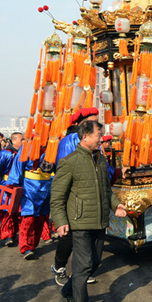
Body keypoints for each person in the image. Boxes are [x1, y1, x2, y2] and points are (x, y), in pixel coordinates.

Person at [51, 120, 127, 302]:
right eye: (98, 135)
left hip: (100, 220)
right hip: (80, 222)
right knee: (83, 266)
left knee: (94, 263)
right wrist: (60, 221)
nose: (101, 139)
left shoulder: (101, 160)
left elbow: (107, 191)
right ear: (85, 136)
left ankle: (68, 290)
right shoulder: (69, 161)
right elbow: (57, 196)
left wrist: (116, 206)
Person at [51, 108, 101, 286]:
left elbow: (99, 164)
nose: (95, 123)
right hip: (74, 195)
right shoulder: (67, 141)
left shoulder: (95, 139)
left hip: (89, 195)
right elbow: (64, 172)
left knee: (86, 236)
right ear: (81, 123)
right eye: (91, 120)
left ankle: (80, 272)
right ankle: (59, 267)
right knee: (68, 235)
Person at [7, 140, 54, 259]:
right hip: (30, 187)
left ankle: (33, 245)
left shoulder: (54, 145)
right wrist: (13, 183)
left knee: (41, 218)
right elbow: (18, 164)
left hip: (47, 186)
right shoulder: (27, 146)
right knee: (28, 218)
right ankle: (26, 247)